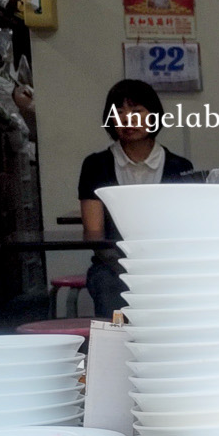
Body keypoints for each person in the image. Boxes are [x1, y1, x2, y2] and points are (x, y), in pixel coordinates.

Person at [78, 78, 194, 317]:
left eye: (137, 111)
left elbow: (183, 229)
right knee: (109, 285)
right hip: (112, 264)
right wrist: (128, 269)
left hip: (166, 264)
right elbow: (94, 232)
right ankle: (115, 351)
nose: (127, 119)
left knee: (189, 286)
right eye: (118, 112)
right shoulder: (96, 165)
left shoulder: (179, 167)